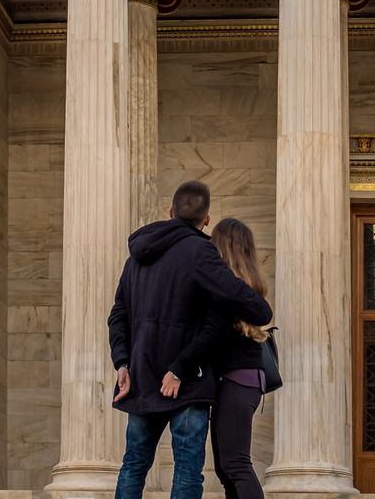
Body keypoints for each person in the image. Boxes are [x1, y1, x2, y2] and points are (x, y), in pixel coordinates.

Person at [109, 181, 272, 499]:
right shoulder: (202, 252)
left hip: (141, 377)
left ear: (170, 212)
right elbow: (253, 310)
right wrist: (180, 369)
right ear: (207, 219)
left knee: (132, 467)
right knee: (186, 472)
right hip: (187, 381)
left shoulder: (134, 260)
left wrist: (122, 362)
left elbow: (117, 317)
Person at [175, 218, 273, 499]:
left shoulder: (225, 289)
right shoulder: (243, 286)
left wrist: (179, 367)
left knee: (235, 465)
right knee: (226, 467)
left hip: (237, 382)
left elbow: (212, 334)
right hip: (242, 382)